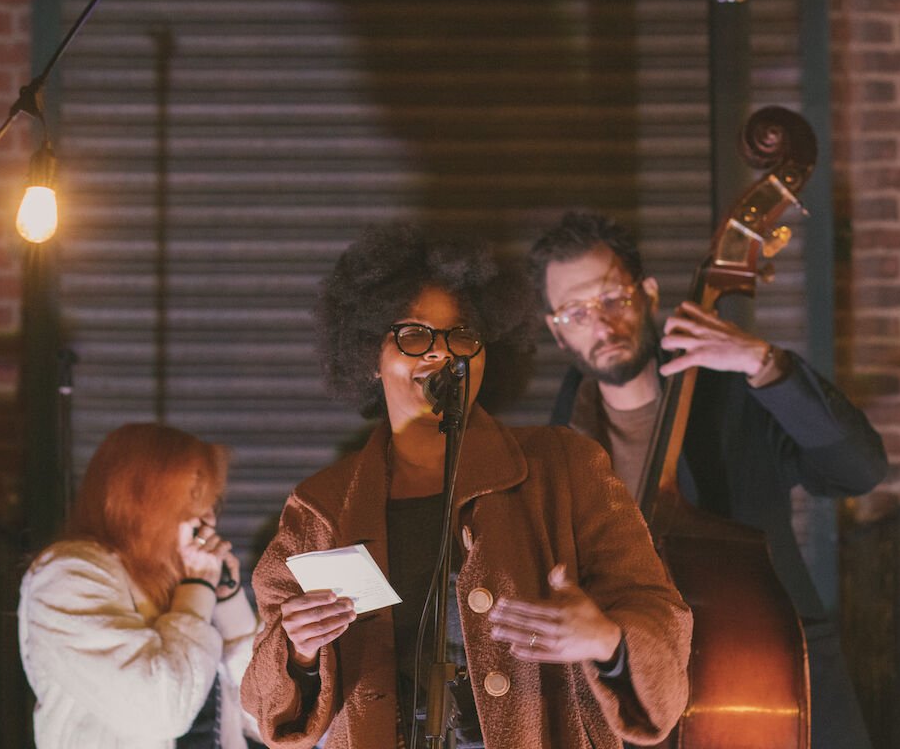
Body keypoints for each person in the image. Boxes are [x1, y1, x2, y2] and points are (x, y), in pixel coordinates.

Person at [241, 221, 691, 748]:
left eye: (461, 335)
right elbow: (266, 704)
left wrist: (609, 640)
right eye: (413, 334)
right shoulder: (319, 507)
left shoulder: (566, 466)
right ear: (369, 358)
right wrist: (296, 650)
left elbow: (661, 615)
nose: (441, 353)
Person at [527, 210, 888, 749]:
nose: (601, 325)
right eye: (575, 313)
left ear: (648, 294)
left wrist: (765, 364)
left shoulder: (735, 397)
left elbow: (858, 470)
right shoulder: (557, 451)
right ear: (558, 333)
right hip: (639, 715)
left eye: (613, 299)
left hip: (777, 684)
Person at [18, 423, 263, 748]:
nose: (208, 521)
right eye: (191, 502)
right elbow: (160, 712)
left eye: (210, 505)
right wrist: (197, 588)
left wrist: (228, 599)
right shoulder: (68, 576)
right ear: (142, 499)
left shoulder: (186, 576)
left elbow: (267, 719)